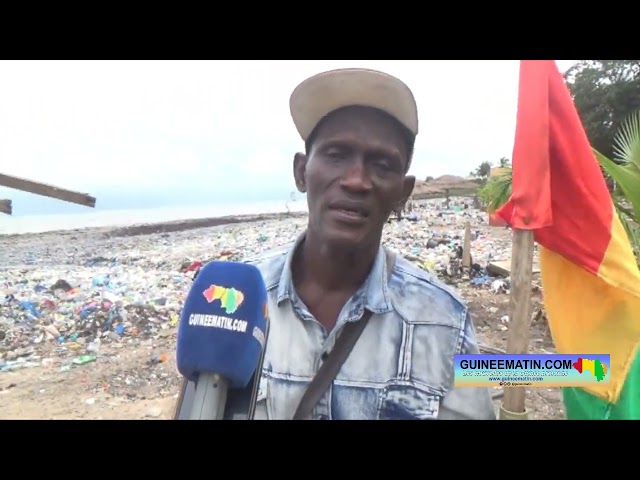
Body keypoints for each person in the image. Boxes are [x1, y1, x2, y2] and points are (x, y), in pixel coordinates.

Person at [247, 67, 496, 420]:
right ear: (302, 172)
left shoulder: (443, 319)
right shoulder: (238, 301)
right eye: (336, 155)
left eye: (381, 165)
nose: (357, 181)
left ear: (402, 193)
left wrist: (589, 370)